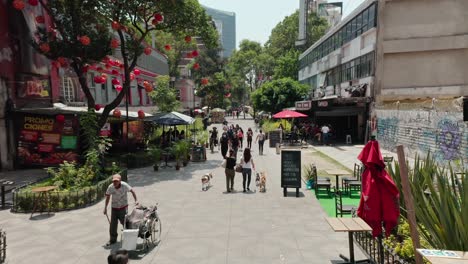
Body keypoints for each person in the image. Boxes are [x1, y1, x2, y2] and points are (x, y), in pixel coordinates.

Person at [103, 174, 138, 246]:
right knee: (113, 225)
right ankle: (112, 240)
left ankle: (129, 238)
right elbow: (108, 197)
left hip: (123, 208)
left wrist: (136, 200)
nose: (115, 183)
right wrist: (105, 207)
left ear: (120, 181)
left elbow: (132, 191)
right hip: (114, 208)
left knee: (125, 223)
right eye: (114, 181)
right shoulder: (111, 187)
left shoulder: (124, 185)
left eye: (116, 181)